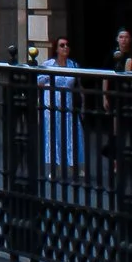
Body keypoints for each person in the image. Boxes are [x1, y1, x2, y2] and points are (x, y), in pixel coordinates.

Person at [38, 37, 84, 167]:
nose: (65, 47)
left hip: (68, 104)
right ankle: (54, 165)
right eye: (62, 45)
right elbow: (39, 83)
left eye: (67, 45)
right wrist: (48, 75)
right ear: (57, 49)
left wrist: (83, 104)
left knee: (71, 134)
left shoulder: (73, 65)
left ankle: (73, 164)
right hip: (51, 105)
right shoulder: (48, 64)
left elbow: (79, 86)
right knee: (53, 135)